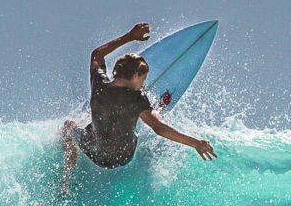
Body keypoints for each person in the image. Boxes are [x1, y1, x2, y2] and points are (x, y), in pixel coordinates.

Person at [60, 22, 216, 194]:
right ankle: (150, 112)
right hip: (123, 157)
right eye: (143, 79)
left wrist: (130, 37)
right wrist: (195, 143)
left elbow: (97, 54)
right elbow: (159, 128)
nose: (143, 82)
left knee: (69, 126)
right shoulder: (137, 99)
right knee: (141, 117)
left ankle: (66, 179)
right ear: (135, 75)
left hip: (95, 153)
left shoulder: (99, 84)